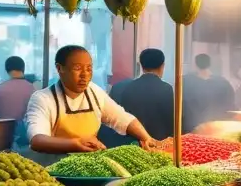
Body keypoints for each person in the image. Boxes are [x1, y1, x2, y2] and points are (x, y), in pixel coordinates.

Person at [25, 45, 157, 161]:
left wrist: (146, 138)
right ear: (60, 68)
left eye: (89, 69)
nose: (85, 75)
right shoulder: (43, 99)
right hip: (53, 166)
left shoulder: (94, 91)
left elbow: (122, 118)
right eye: (77, 68)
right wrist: (75, 143)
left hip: (88, 166)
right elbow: (37, 140)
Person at [113, 49, 175, 140]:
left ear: (141, 65)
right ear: (162, 66)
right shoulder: (167, 89)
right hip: (159, 143)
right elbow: (171, 121)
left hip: (133, 143)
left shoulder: (128, 87)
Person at [0, 56, 34, 147]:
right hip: (29, 143)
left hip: (3, 143)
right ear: (23, 69)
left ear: (6, 70)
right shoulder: (35, 91)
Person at [182, 53, 236, 132]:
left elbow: (180, 103)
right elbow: (229, 103)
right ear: (210, 64)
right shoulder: (222, 82)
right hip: (216, 127)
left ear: (195, 64)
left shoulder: (186, 81)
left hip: (191, 127)